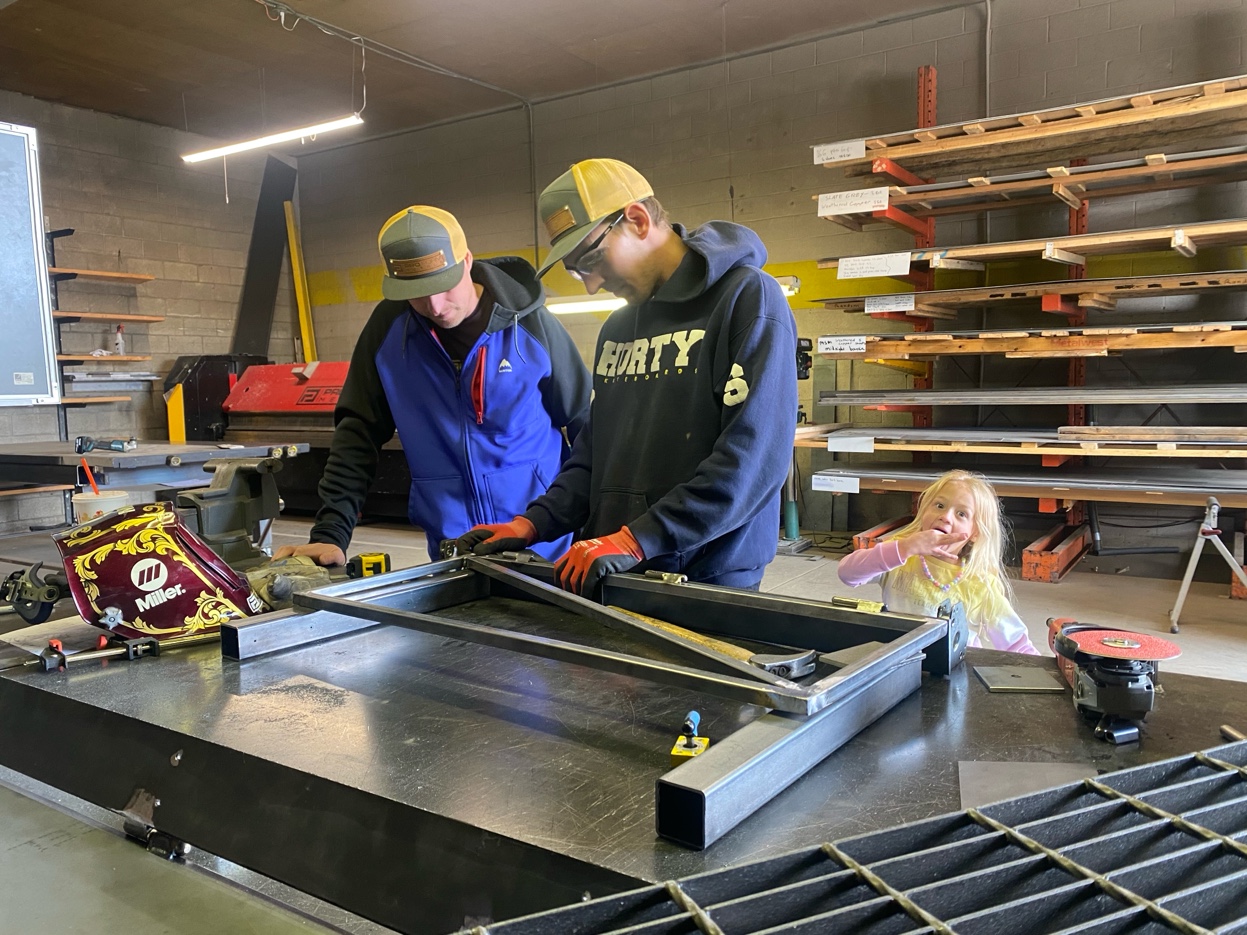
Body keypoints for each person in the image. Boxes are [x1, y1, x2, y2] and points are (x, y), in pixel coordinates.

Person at [455, 158, 797, 595]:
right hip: (611, 565)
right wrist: (531, 523)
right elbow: (595, 454)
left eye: (590, 260)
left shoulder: (748, 299)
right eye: (576, 270)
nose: (590, 285)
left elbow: (751, 461)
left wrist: (640, 539)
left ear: (635, 220)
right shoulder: (619, 328)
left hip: (704, 576)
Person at [276, 205, 591, 566]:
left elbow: (586, 428)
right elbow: (357, 434)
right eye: (417, 293)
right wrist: (331, 533)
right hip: (452, 552)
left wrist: (594, 528)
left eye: (443, 286)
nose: (435, 306)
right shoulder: (389, 334)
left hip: (546, 546)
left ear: (466, 261)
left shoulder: (530, 325)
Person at [837, 469, 1039, 654]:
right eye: (939, 505)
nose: (946, 517)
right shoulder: (901, 553)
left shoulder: (979, 582)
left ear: (975, 532)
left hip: (954, 674)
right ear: (924, 511)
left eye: (961, 514)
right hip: (899, 662)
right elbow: (847, 574)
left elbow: (1016, 644)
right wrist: (904, 548)